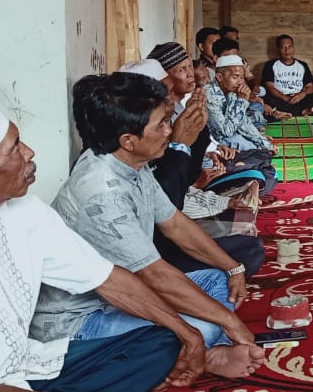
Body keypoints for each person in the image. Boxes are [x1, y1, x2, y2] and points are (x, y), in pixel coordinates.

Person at [0, 102, 204, 391]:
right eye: (15, 149)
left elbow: (108, 280)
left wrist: (188, 333)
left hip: (29, 366)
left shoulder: (26, 211)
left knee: (161, 341)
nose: (30, 152)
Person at [33, 73, 266, 380]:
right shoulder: (102, 192)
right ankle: (204, 352)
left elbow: (175, 224)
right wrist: (229, 322)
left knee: (216, 279)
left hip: (129, 295)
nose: (171, 131)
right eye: (161, 125)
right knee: (201, 326)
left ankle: (203, 349)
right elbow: (154, 275)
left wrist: (233, 268)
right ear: (128, 140)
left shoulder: (129, 161)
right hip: (83, 320)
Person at [144, 43, 267, 277]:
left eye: (190, 67)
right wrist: (182, 145)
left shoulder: (182, 110)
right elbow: (170, 207)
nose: (190, 75)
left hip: (189, 194)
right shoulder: (148, 132)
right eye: (181, 70)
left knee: (259, 173)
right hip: (158, 238)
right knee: (246, 246)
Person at [205, 54, 279, 198]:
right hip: (219, 145)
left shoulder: (231, 91)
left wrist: (265, 143)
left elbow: (244, 123)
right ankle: (240, 169)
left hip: (230, 140)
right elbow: (226, 131)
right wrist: (242, 101)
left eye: (242, 77)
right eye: (235, 77)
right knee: (256, 154)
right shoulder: (209, 94)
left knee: (266, 158)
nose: (240, 82)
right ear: (220, 77)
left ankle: (246, 176)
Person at [262, 34, 313, 116]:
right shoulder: (270, 65)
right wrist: (284, 97)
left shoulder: (302, 65)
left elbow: (310, 87)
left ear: (293, 47)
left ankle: (286, 112)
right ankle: (302, 112)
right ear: (278, 49)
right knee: (267, 97)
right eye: (283, 47)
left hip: (299, 99)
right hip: (281, 99)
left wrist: (302, 94)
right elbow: (270, 87)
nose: (287, 50)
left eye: (290, 46)